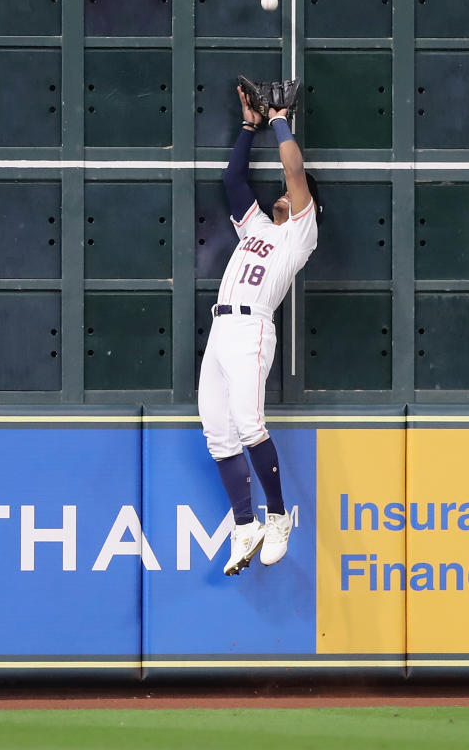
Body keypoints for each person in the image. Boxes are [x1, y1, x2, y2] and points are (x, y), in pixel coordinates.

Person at [199, 84, 320, 576]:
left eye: (290, 196)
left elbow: (294, 173)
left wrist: (279, 120)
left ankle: (277, 518)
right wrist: (249, 126)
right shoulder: (257, 230)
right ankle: (245, 523)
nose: (282, 194)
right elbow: (233, 180)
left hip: (252, 330)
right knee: (218, 436)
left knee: (250, 425)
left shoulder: (298, 236)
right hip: (221, 331)